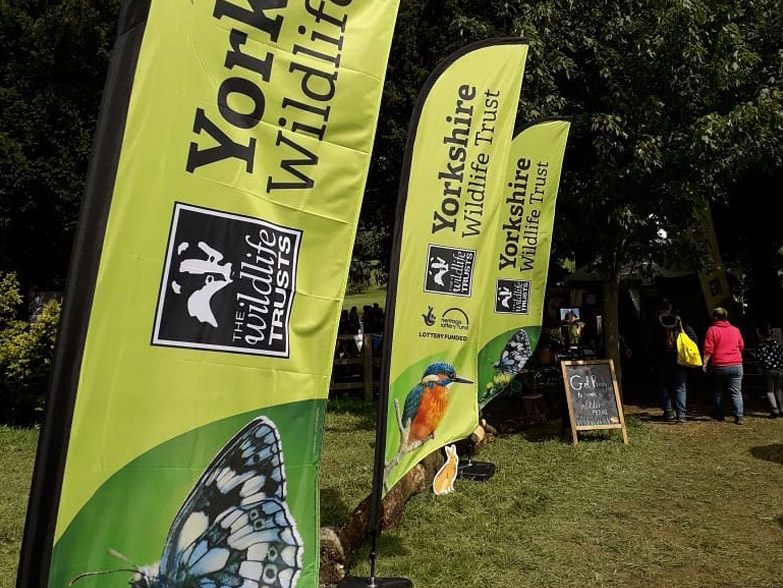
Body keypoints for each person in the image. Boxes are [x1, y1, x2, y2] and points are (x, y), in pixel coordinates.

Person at [652, 299, 697, 423]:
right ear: (670, 308)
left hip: (662, 361)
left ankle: (668, 412)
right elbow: (693, 338)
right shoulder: (680, 323)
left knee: (663, 386)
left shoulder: (656, 324)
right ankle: (681, 414)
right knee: (680, 387)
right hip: (679, 360)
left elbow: (651, 344)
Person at [702, 307, 745, 424]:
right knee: (736, 391)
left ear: (715, 317)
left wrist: (705, 362)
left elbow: (708, 348)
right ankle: (739, 416)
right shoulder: (735, 330)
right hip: (736, 364)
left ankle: (719, 414)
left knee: (718, 389)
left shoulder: (712, 330)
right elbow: (741, 346)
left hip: (720, 365)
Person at [756, 327, 783, 418]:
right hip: (779, 369)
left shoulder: (761, 345)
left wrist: (759, 367)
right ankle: (782, 409)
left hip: (768, 369)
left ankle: (774, 409)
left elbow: (759, 358)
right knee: (778, 390)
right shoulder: (777, 343)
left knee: (770, 390)